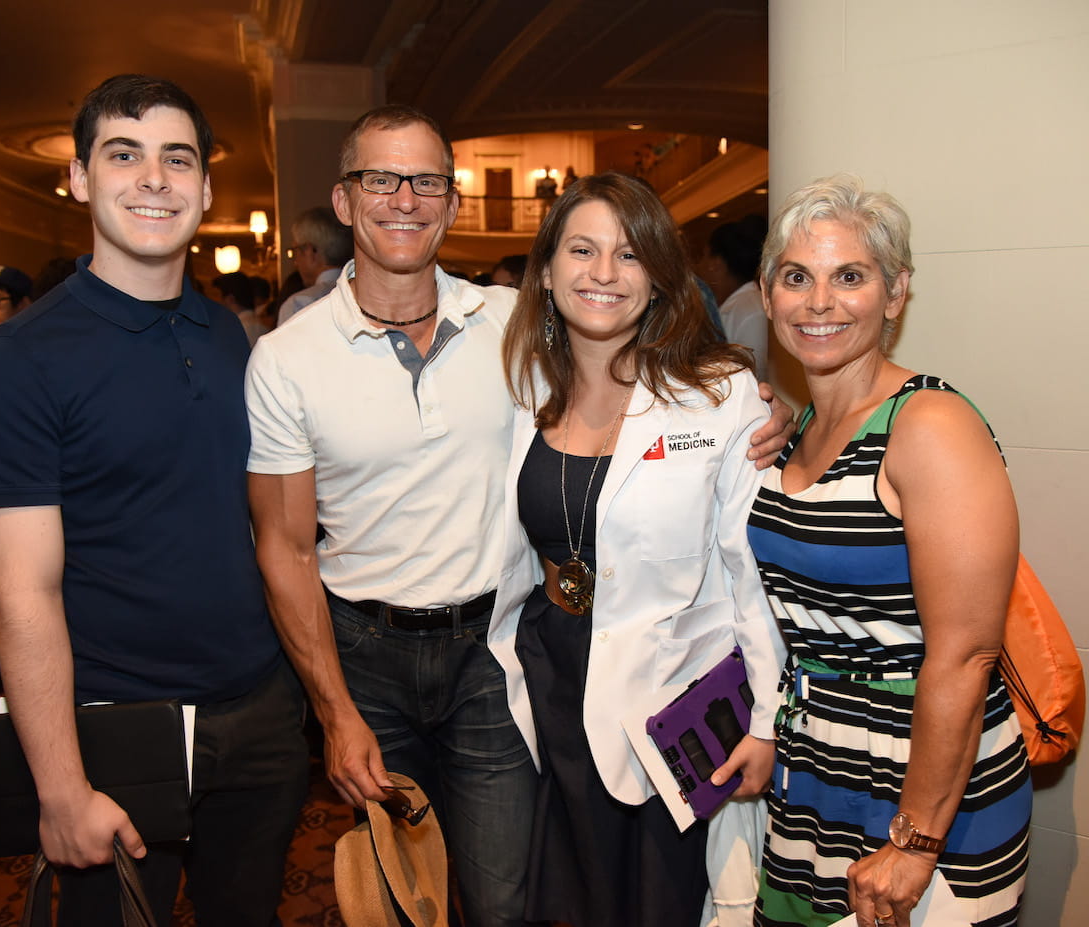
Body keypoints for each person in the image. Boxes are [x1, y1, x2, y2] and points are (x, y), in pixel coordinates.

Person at [245, 104, 795, 927]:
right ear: (346, 198)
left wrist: (771, 407)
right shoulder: (289, 355)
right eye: (380, 179)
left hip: (493, 661)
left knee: (515, 897)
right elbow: (283, 546)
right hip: (372, 653)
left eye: (426, 180)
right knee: (397, 896)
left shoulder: (504, 326)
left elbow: (690, 429)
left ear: (452, 202)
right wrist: (333, 710)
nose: (404, 198)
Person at [0, 74, 309, 927]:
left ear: (206, 188)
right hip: (116, 723)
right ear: (79, 178)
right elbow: (22, 593)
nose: (155, 177)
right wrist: (62, 786)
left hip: (260, 709)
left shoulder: (228, 335)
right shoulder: (20, 359)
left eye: (176, 158)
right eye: (125, 154)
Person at [489, 172, 786, 927]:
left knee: (658, 899)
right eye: (582, 250)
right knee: (570, 893)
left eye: (629, 255)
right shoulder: (519, 385)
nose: (603, 274)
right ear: (548, 268)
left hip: (670, 693)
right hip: (551, 668)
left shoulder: (719, 394)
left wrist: (764, 719)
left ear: (658, 274)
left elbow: (747, 568)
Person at [747, 175, 1030, 927]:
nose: (819, 302)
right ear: (767, 294)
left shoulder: (929, 425)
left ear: (896, 293)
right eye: (796, 277)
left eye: (851, 276)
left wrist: (916, 839)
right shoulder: (794, 430)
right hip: (817, 770)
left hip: (925, 782)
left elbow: (967, 654)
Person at [703, 216, 769, 381]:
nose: (700, 265)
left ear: (716, 263)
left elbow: (755, 377)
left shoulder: (752, 311)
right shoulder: (737, 306)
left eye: (704, 256)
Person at [275, 205, 352, 325]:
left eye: (295, 251)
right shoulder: (365, 297)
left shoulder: (300, 303)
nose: (295, 262)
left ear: (309, 251)